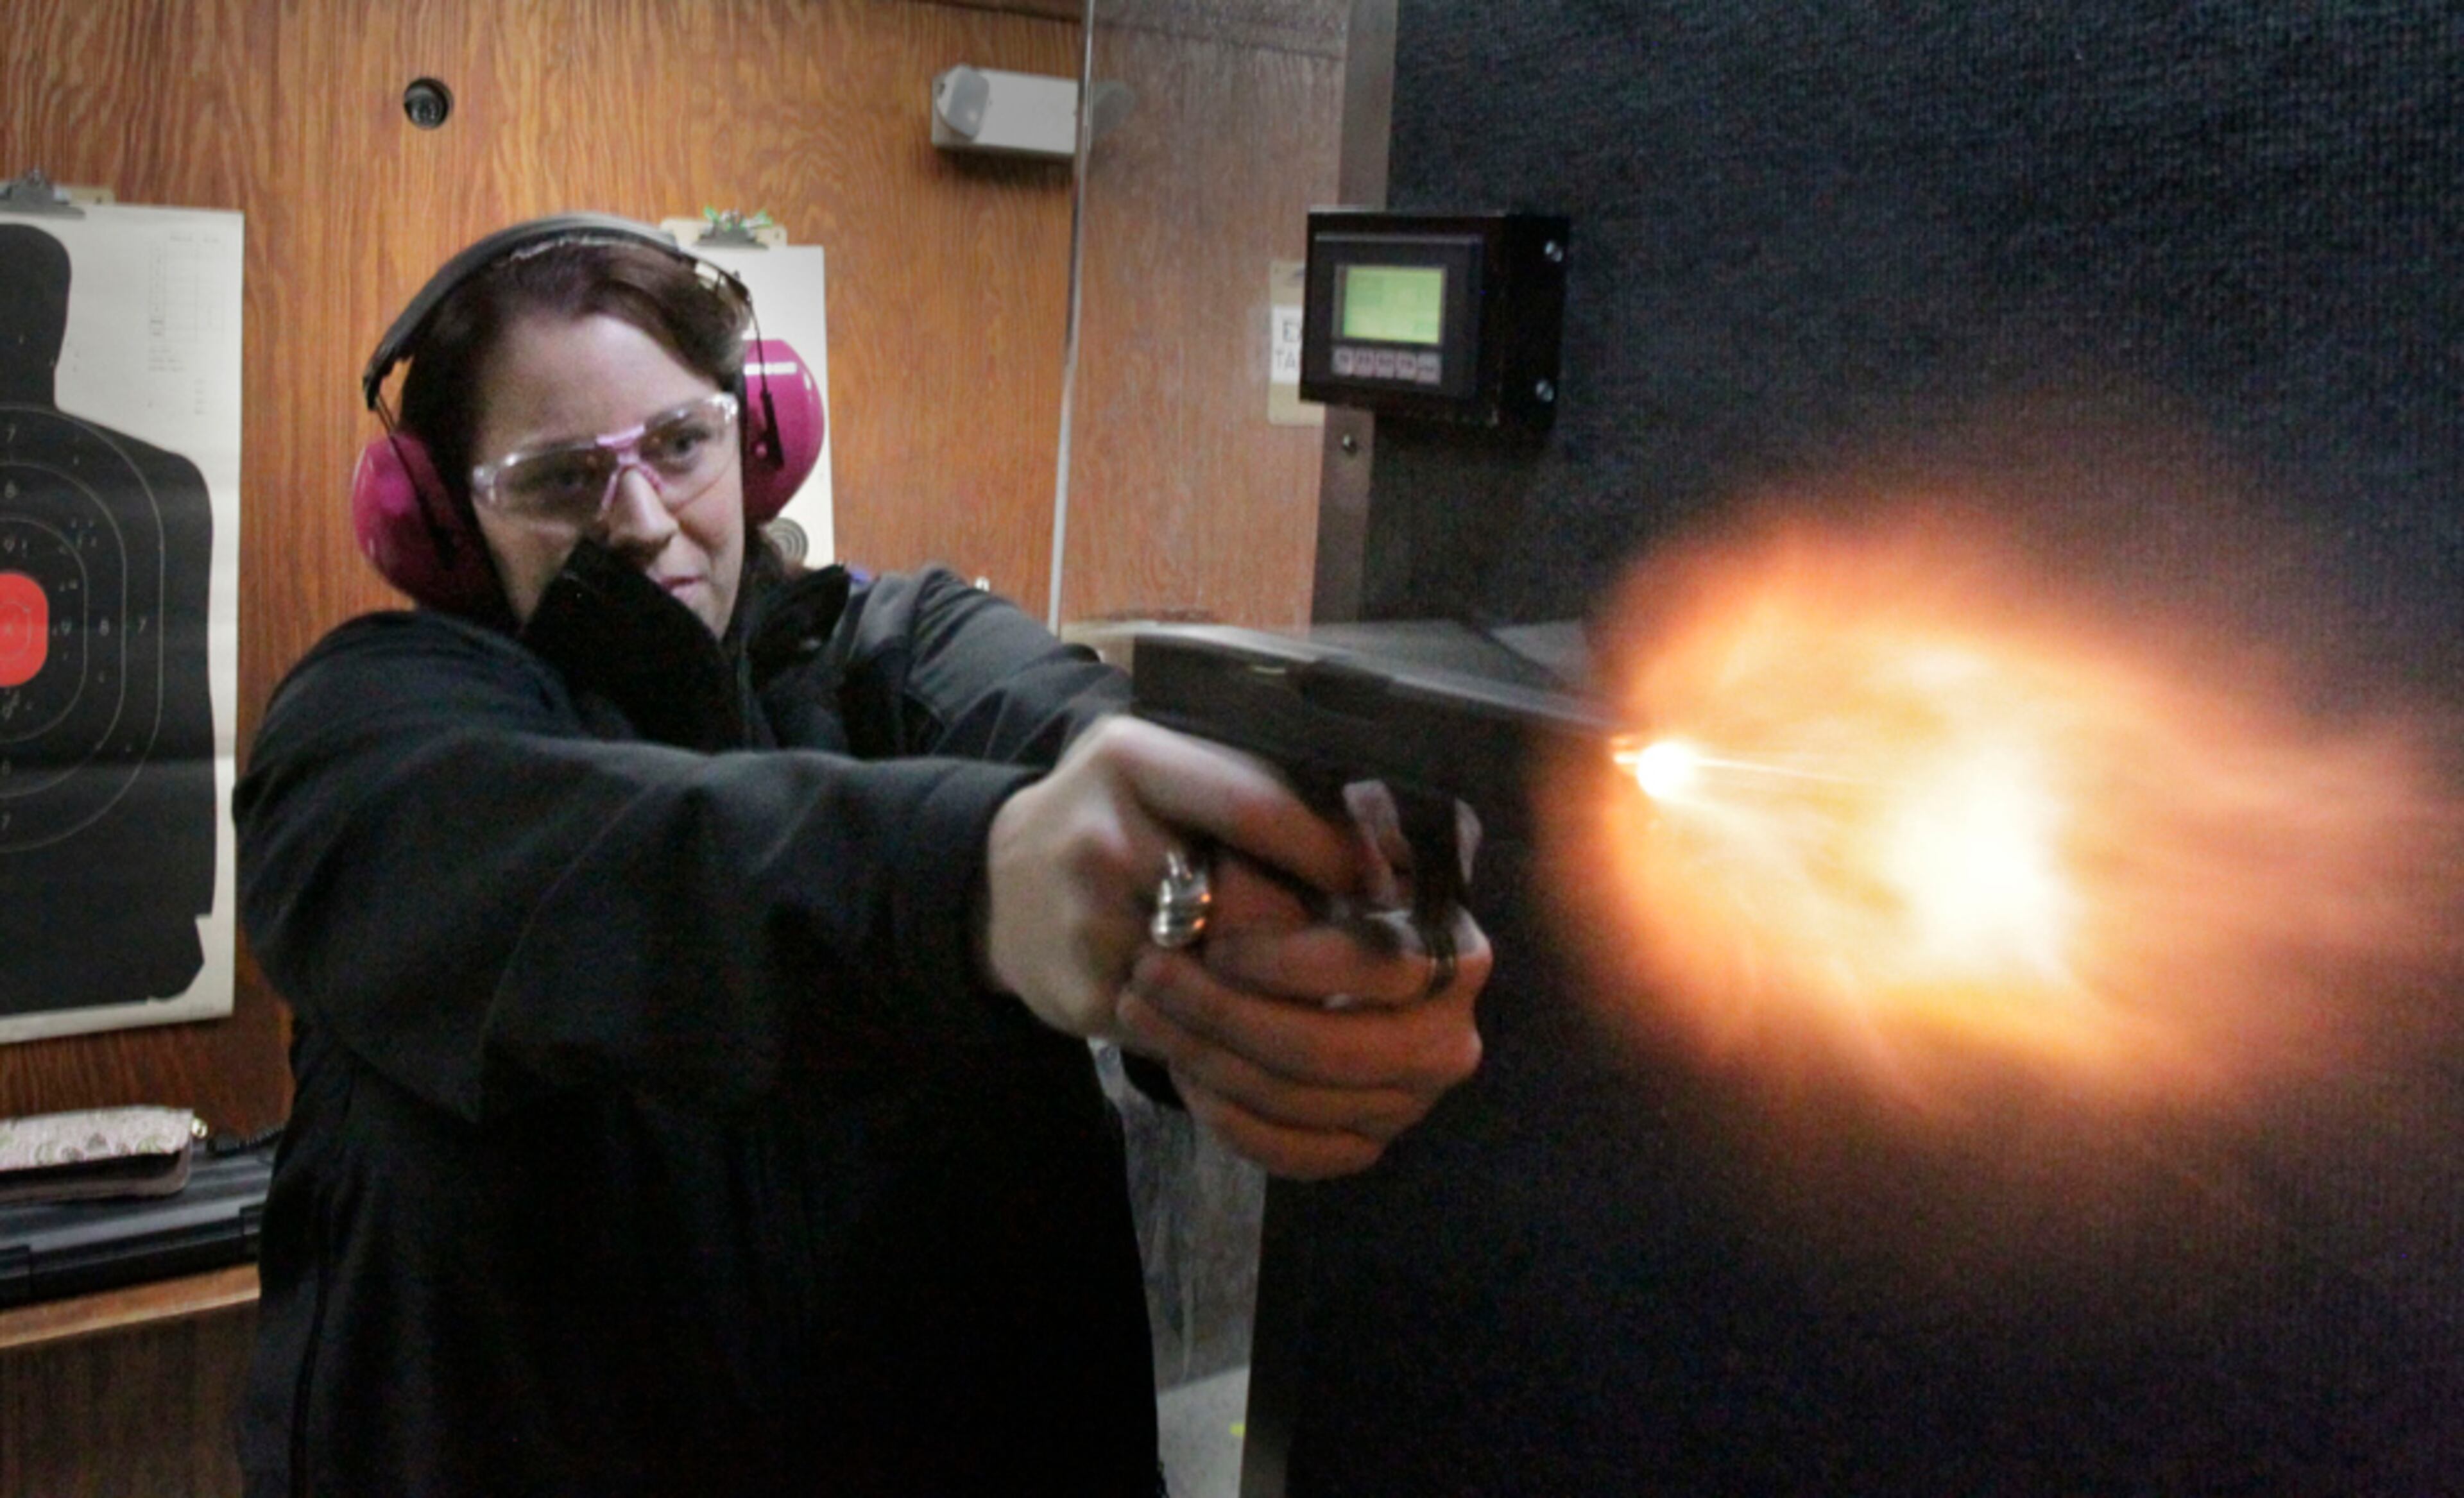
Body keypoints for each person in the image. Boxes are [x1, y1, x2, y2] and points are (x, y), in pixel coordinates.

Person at [232, 216, 1489, 1497]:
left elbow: (1080, 734)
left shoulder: (909, 645)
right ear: (445, 524)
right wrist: (976, 881)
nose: (644, 521)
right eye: (560, 481)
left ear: (755, 442)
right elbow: (617, 864)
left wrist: (1251, 915)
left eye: (679, 446)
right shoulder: (369, 733)